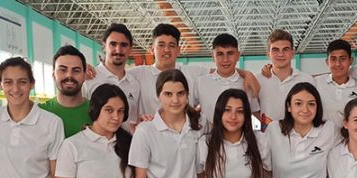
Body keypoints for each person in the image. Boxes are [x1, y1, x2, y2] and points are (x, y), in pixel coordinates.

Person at [129, 24, 259, 122]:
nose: (167, 50)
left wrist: (247, 74)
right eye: (161, 45)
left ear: (178, 50)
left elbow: (223, 69)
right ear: (152, 49)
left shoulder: (193, 72)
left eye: (172, 45)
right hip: (151, 137)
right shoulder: (137, 74)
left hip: (186, 137)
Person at [191, 34, 261, 128]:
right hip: (208, 139)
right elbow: (190, 109)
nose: (225, 59)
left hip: (240, 141)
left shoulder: (247, 83)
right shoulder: (201, 82)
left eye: (230, 53)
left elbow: (256, 112)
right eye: (220, 54)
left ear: (238, 55)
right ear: (213, 56)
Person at [82, 23, 138, 127]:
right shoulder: (88, 79)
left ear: (130, 48)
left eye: (124, 45)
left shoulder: (134, 84)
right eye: (113, 44)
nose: (118, 50)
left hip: (125, 142)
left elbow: (132, 122)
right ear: (104, 46)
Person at [256, 29, 315, 127]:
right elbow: (254, 108)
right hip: (269, 139)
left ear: (292, 53)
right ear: (268, 54)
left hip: (299, 138)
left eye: (285, 49)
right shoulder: (258, 80)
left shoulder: (307, 80)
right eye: (275, 50)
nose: (280, 54)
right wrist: (270, 126)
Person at [40, 45, 93, 138]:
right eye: (63, 70)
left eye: (76, 71)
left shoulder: (97, 113)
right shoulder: (40, 112)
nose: (69, 75)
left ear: (84, 75)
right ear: (53, 75)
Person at [313, 39, 357, 129]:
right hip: (322, 140)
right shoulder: (316, 83)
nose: (338, 64)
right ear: (327, 62)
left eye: (342, 59)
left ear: (351, 60)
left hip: (349, 140)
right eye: (333, 59)